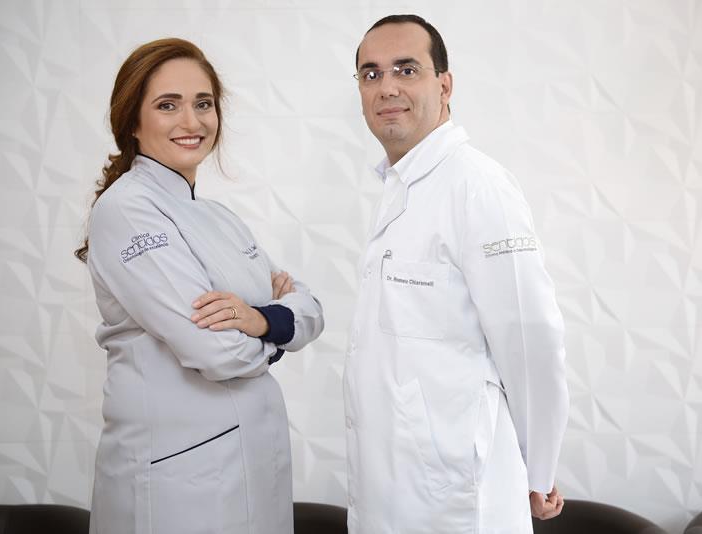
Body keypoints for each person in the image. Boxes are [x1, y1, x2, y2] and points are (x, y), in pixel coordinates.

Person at [75, 38, 324, 534]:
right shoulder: (127, 210)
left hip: (250, 465)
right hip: (178, 481)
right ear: (132, 121)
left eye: (203, 103)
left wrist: (259, 320)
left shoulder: (219, 217)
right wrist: (277, 327)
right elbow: (216, 351)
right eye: (168, 105)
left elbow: (310, 307)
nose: (192, 121)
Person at [343, 14, 569, 533]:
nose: (387, 87)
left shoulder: (477, 186)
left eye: (406, 69)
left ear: (444, 86)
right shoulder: (400, 189)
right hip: (391, 492)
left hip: (457, 503)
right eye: (371, 74)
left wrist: (538, 468)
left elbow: (530, 336)